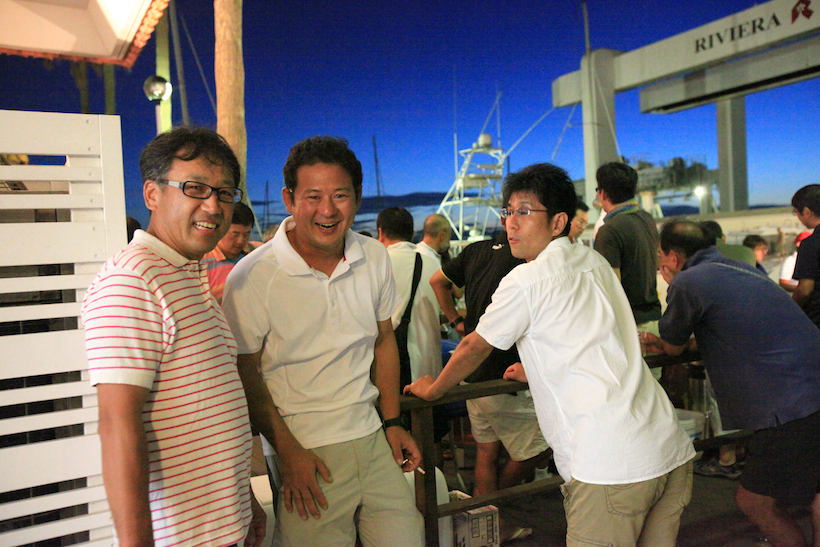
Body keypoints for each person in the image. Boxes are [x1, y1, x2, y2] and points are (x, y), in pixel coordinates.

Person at [408, 162, 695, 547]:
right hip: (668, 448)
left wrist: (435, 389)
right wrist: (538, 368)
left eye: (524, 212)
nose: (511, 223)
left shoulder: (527, 279)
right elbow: (598, 338)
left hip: (610, 463)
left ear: (558, 222)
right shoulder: (593, 261)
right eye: (508, 211)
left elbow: (474, 345)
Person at [221, 136, 423, 547]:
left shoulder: (374, 256)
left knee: (406, 537)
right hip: (304, 448)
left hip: (371, 434)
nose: (327, 210)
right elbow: (245, 372)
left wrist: (392, 421)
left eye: (340, 195)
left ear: (358, 197)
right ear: (289, 199)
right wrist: (287, 452)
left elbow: (384, 341)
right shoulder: (253, 276)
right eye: (313, 196)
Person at [81, 127, 265, 547]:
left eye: (224, 193)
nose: (213, 206)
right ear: (152, 194)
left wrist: (246, 500)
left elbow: (211, 409)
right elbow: (117, 426)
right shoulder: (132, 282)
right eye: (195, 188)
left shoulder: (187, 274)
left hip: (222, 524)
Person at [647, 219, 820, 547]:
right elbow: (733, 329)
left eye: (659, 256)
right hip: (809, 385)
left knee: (753, 501)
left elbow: (673, 346)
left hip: (788, 405)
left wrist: (673, 285)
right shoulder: (741, 268)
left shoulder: (688, 281)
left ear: (671, 256)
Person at [430, 220, 550, 542]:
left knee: (486, 452)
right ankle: (495, 505)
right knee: (542, 446)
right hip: (504, 373)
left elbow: (437, 281)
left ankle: (487, 528)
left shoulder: (475, 251)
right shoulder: (526, 258)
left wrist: (457, 320)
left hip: (473, 373)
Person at [594, 162, 663, 378]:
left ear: (603, 193)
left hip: (631, 329)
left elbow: (611, 288)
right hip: (653, 321)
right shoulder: (647, 219)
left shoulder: (610, 231)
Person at [377, 206, 443, 384]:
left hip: (397, 369)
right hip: (431, 368)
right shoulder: (432, 263)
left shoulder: (378, 264)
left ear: (380, 232)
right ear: (412, 234)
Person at [201, 200, 255, 303]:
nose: (240, 241)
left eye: (246, 235)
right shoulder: (202, 262)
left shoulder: (254, 254)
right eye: (234, 234)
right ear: (221, 229)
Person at [791, 185, 820, 327]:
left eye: (796, 212)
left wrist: (790, 309)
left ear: (807, 212)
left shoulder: (811, 243)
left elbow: (805, 291)